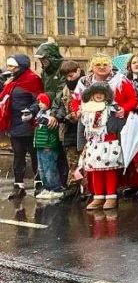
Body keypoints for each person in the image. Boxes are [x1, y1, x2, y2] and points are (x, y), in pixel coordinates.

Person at [77, 81, 124, 210]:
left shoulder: (113, 109)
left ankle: (111, 197)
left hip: (110, 144)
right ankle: (98, 197)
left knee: (110, 171)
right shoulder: (86, 110)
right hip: (93, 145)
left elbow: (121, 128)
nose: (98, 95)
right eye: (95, 93)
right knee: (95, 172)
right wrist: (81, 146)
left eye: (101, 93)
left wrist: (122, 144)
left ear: (106, 95)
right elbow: (81, 129)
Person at [2, 54, 43, 199]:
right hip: (14, 124)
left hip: (29, 123)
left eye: (12, 66)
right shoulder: (12, 80)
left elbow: (39, 100)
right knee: (18, 155)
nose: (9, 69)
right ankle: (18, 185)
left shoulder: (33, 79)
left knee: (34, 154)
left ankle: (39, 183)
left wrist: (31, 111)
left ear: (21, 66)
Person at [52, 61, 84, 198]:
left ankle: (86, 188)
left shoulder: (86, 85)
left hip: (84, 129)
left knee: (86, 161)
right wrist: (58, 116)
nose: (69, 79)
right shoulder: (64, 90)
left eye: (71, 75)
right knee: (72, 162)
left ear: (78, 71)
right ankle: (73, 187)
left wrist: (69, 116)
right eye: (67, 77)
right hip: (69, 131)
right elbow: (58, 106)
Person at [32, 94, 63, 200]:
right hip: (40, 145)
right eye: (39, 102)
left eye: (42, 102)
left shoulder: (51, 116)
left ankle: (55, 188)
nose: (40, 104)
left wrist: (50, 145)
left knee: (50, 168)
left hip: (48, 145)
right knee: (41, 169)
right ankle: (46, 187)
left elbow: (53, 131)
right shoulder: (40, 114)